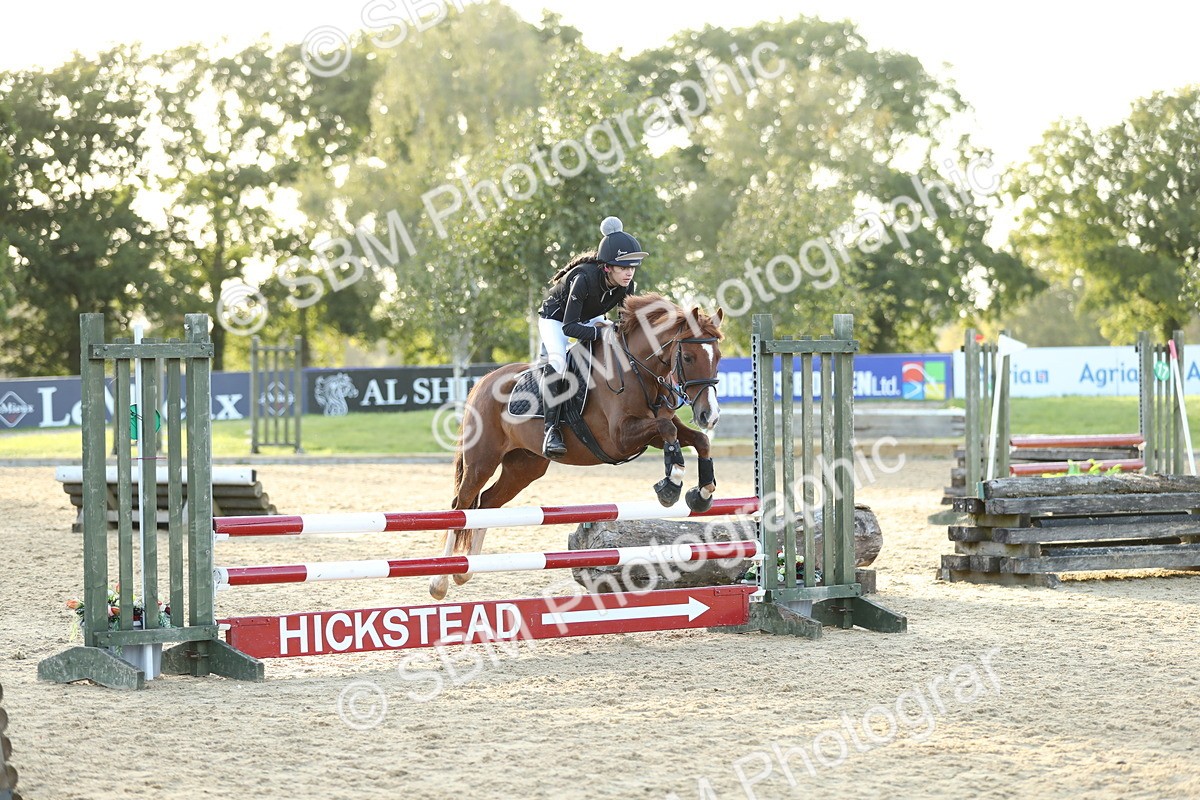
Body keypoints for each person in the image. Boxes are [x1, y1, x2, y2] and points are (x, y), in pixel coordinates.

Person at [536, 216, 646, 459]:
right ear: (607, 267)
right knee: (558, 362)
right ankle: (551, 430)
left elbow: (622, 324)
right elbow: (570, 328)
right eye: (623, 268)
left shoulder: (627, 285)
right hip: (557, 320)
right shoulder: (583, 278)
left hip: (587, 318)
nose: (629, 273)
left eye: (632, 267)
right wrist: (602, 331)